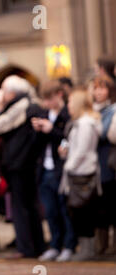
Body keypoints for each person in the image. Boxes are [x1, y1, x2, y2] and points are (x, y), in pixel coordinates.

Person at [0, 75, 46, 258]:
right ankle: (36, 246)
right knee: (28, 205)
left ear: (12, 93)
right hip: (24, 163)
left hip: (20, 163)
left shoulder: (20, 108)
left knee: (21, 207)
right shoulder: (30, 105)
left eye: (4, 91)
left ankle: (27, 247)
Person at [32, 80, 76, 262]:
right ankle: (55, 245)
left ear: (59, 95)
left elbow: (67, 139)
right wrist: (38, 130)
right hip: (44, 169)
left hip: (61, 170)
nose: (47, 104)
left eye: (49, 99)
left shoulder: (68, 114)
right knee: (50, 211)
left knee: (64, 210)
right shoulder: (44, 114)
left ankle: (69, 245)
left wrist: (51, 130)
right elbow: (36, 145)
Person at [58, 89, 102, 261]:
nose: (68, 106)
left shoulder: (85, 124)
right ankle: (85, 248)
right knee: (79, 212)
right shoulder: (79, 123)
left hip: (82, 172)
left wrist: (69, 165)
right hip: (77, 170)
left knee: (83, 212)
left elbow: (83, 149)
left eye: (70, 102)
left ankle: (87, 249)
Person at [91, 75, 116, 256]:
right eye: (96, 88)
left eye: (102, 88)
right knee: (98, 207)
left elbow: (105, 133)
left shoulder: (111, 110)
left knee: (111, 204)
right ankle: (101, 244)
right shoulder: (91, 110)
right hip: (93, 165)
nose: (98, 92)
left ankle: (113, 245)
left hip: (107, 163)